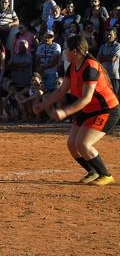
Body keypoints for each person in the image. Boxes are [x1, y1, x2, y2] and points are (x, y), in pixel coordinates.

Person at [34, 36, 119, 186]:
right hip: (87, 110)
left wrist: (65, 112)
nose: (64, 52)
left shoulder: (90, 67)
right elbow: (61, 91)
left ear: (75, 51)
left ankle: (106, 175)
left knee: (83, 144)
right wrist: (43, 104)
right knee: (72, 144)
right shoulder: (72, 66)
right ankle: (93, 171)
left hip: (106, 110)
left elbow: (86, 98)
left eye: (66, 49)